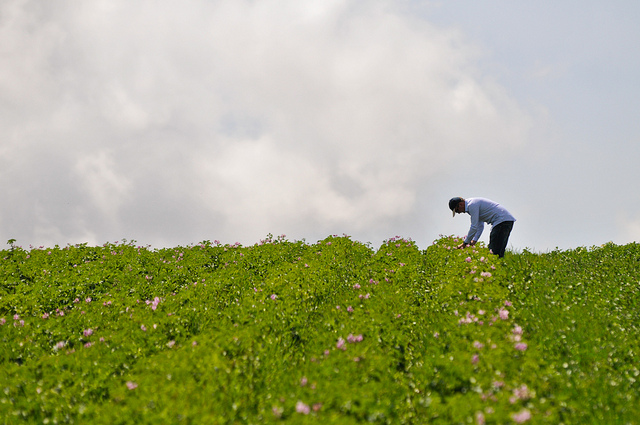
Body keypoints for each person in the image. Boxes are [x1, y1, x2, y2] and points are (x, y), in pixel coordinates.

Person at [449, 196, 516, 258]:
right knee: (497, 251)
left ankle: (496, 268)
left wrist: (465, 243)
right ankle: (500, 267)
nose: (459, 213)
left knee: (494, 252)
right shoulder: (471, 205)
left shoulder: (472, 205)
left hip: (502, 221)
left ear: (460, 204)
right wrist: (474, 240)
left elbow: (474, 226)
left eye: (457, 210)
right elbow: (480, 225)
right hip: (504, 221)